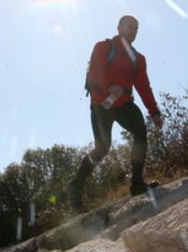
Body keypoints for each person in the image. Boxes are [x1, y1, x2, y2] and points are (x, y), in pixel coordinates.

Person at [70, 15, 163, 211]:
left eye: (136, 28)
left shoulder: (138, 59)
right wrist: (109, 86)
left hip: (124, 105)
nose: (133, 31)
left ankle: (137, 184)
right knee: (103, 148)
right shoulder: (103, 47)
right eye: (129, 27)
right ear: (119, 27)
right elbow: (95, 71)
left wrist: (154, 111)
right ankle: (75, 187)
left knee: (140, 131)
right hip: (101, 105)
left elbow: (144, 87)